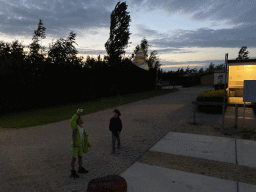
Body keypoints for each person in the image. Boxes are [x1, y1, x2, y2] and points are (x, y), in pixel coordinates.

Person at [70, 109, 90, 179]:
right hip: (75, 145)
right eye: (81, 118)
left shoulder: (82, 128)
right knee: (74, 158)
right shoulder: (75, 127)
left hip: (80, 145)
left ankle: (80, 168)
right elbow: (72, 121)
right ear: (78, 120)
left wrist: (87, 143)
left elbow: (85, 137)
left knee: (80, 157)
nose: (82, 119)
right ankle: (73, 171)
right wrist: (77, 114)